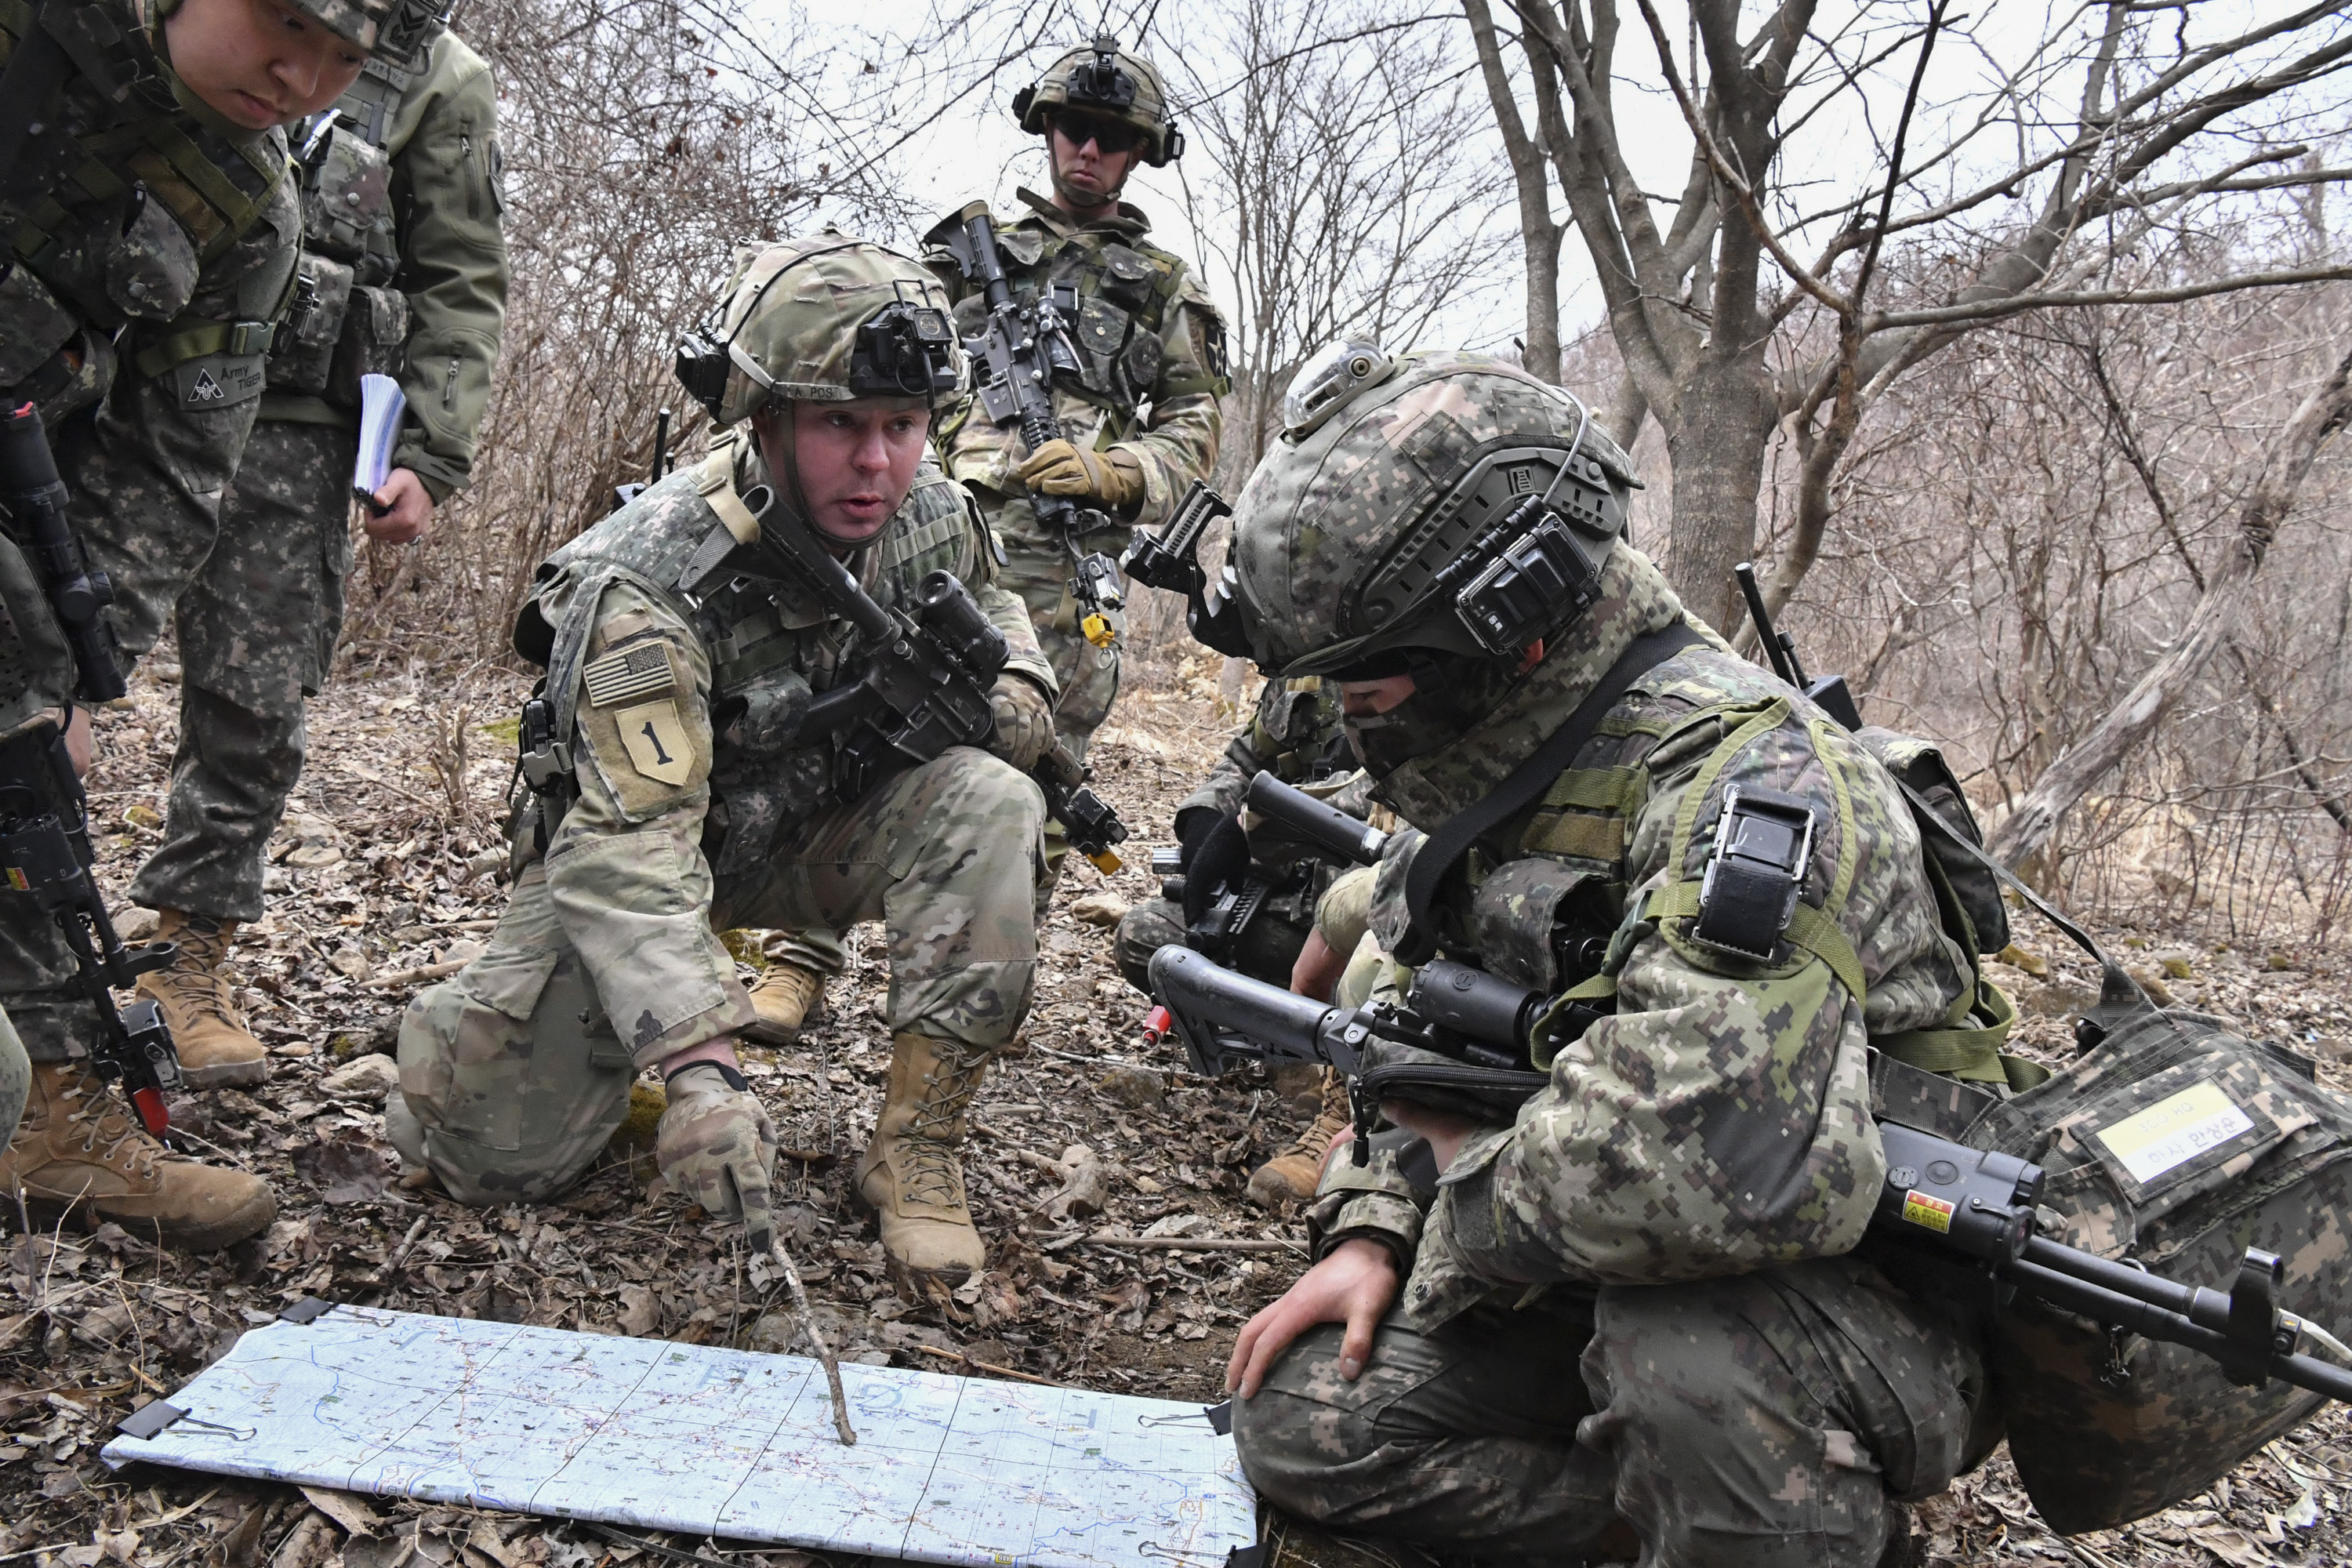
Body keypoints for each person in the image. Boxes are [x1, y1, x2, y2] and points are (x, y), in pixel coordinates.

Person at [1214, 353, 2010, 1566]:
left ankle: (1799, 1529)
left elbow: (1721, 1155)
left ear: (1503, 626)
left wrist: (1446, 1204)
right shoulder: (1488, 758)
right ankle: (1703, 1532)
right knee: (1307, 1420)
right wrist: (1373, 1231)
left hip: (1868, 1282)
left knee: (1684, 1369)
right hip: (1611, 1246)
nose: (1346, 718)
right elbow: (1437, 1050)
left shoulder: (1758, 786)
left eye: (1363, 682)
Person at [388, 236, 1058, 1290]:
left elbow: (997, 598)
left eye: (903, 427)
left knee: (994, 803)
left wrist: (1020, 683)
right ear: (765, 418)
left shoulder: (927, 511)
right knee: (490, 1161)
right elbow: (629, 851)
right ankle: (566, 1053)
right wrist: (703, 1071)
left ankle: (915, 1150)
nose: (878, 463)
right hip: (638, 856)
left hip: (806, 833)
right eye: (840, 424)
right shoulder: (650, 584)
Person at [0, 0, 404, 1249]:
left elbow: (170, 469)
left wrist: (58, 687)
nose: (304, 75)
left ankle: (57, 1114)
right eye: (285, 23)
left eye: (346, 58)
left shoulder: (248, 207)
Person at [731, 34, 1229, 1044]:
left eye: (1112, 137)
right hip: (927, 530)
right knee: (865, 713)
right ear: (1044, 132)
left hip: (1068, 554)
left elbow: (1194, 424)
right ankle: (800, 956)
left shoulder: (1163, 288)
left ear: (1141, 153)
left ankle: (979, 988)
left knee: (1043, 757)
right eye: (1071, 128)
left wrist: (1119, 470)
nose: (1087, 150)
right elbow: (866, 366)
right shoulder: (967, 259)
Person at [125, 3, 509, 1091]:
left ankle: (181, 959)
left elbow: (462, 275)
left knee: (256, 695)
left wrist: (429, 453)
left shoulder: (438, 77)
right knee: (42, 650)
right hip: (132, 373)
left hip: (294, 424)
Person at [1112, 673, 1370, 1206]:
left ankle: (1336, 1085)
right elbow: (1243, 761)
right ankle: (1291, 1046)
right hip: (1289, 905)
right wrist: (1208, 820)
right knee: (1153, 939)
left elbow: (1392, 794)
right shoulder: (1301, 676)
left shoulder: (1422, 663)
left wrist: (1257, 822)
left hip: (1369, 917)